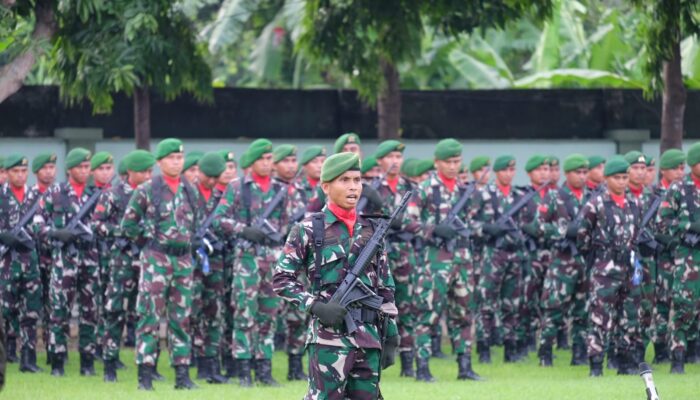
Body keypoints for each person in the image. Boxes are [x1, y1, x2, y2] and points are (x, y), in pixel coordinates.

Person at [273, 152, 399, 399]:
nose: (353, 187)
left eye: (357, 179)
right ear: (326, 186)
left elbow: (385, 286)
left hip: (369, 336)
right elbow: (281, 279)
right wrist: (315, 306)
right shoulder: (308, 229)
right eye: (344, 180)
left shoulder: (372, 230)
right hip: (328, 339)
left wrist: (391, 332)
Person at [121, 138, 201, 390]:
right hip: (156, 260)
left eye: (180, 158)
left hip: (183, 260)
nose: (177, 162)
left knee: (182, 318)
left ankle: (182, 376)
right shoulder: (147, 189)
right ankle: (145, 376)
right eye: (171, 158)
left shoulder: (190, 189)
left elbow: (194, 224)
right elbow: (129, 225)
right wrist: (149, 242)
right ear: (159, 162)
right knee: (149, 317)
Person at [212, 138, 289, 387]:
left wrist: (276, 233)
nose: (267, 164)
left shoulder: (280, 189)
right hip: (247, 259)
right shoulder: (238, 187)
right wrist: (244, 230)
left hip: (272, 256)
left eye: (269, 159)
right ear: (252, 162)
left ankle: (264, 369)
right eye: (262, 159)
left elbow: (287, 222)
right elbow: (218, 220)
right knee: (245, 313)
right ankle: (244, 370)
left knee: (269, 314)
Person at [414, 139, 482, 381]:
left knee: (464, 314)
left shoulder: (465, 191)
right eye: (448, 162)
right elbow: (406, 222)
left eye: (456, 161)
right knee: (428, 314)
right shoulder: (425, 189)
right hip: (435, 261)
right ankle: (422, 368)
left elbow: (474, 223)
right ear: (437, 162)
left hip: (462, 260)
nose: (453, 166)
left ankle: (465, 367)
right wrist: (433, 230)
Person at [35, 148, 102, 377]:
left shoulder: (97, 194)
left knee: (90, 312)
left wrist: (95, 232)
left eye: (87, 167)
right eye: (80, 167)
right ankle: (57, 362)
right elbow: (36, 223)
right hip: (64, 260)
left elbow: (108, 224)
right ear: (70, 169)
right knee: (59, 312)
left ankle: (87, 362)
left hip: (90, 259)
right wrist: (55, 233)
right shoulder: (56, 192)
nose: (85, 171)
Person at [577, 155, 641, 377]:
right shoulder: (596, 204)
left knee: (628, 316)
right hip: (605, 269)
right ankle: (596, 365)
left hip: (629, 268)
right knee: (600, 317)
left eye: (625, 177)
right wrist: (597, 257)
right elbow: (582, 235)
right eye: (617, 177)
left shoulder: (634, 203)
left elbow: (637, 234)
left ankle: (625, 361)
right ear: (606, 179)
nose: (622, 182)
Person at [95, 150, 155, 382]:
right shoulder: (113, 194)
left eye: (151, 171)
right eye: (143, 172)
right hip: (122, 260)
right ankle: (109, 364)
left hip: (150, 258)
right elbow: (97, 225)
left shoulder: (155, 193)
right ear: (130, 172)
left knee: (149, 313)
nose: (148, 176)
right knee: (115, 311)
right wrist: (121, 231)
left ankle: (149, 364)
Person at [373, 140, 422, 378]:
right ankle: (374, 362)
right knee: (377, 309)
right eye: (390, 157)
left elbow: (417, 222)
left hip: (405, 255)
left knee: (408, 308)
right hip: (379, 256)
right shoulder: (372, 189)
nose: (395, 161)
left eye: (398, 157)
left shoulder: (411, 188)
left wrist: (401, 224)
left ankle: (409, 364)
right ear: (380, 161)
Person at [537, 154, 590, 367]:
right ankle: (545, 353)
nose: (582, 176)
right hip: (562, 261)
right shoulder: (554, 197)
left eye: (585, 172)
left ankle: (579, 353)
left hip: (585, 261)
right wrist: (563, 231)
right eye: (578, 172)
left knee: (582, 309)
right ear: (567, 174)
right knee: (553, 309)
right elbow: (538, 226)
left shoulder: (592, 196)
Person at [189, 151, 230, 384]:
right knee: (191, 313)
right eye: (209, 176)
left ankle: (210, 364)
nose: (213, 181)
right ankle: (189, 362)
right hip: (191, 263)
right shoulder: (187, 194)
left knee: (215, 313)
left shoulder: (221, 197)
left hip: (215, 263)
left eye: (217, 176)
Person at [659, 142, 700, 374]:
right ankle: (678, 358)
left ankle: (695, 351)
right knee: (684, 307)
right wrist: (689, 226)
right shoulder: (678, 189)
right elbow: (662, 223)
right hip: (688, 257)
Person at [0, 154, 43, 373]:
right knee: (4, 312)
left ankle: (28, 359)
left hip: (29, 261)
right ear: (6, 173)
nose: (20, 175)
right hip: (6, 264)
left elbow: (42, 224)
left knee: (30, 312)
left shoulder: (35, 196)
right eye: (15, 171)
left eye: (23, 171)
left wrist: (33, 233)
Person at [648, 149, 686, 364]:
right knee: (662, 303)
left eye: (682, 168)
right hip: (661, 258)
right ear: (664, 171)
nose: (680, 172)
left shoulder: (687, 193)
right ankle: (661, 348)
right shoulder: (653, 195)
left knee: (685, 302)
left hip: (684, 257)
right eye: (675, 168)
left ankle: (687, 347)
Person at [30, 152, 57, 363]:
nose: (49, 172)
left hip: (53, 258)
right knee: (30, 307)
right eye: (45, 168)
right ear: (37, 171)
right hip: (30, 258)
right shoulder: (30, 195)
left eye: (52, 167)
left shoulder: (59, 194)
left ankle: (51, 349)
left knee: (52, 305)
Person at [90, 151, 115, 360]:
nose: (106, 173)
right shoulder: (88, 194)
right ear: (93, 172)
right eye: (101, 169)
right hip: (90, 255)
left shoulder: (117, 193)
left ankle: (107, 346)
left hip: (112, 256)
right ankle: (95, 346)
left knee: (110, 303)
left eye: (109, 168)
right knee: (94, 302)